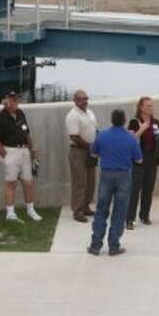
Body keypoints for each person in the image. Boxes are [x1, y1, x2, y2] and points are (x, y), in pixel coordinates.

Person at [88, 108, 143, 256]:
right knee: (119, 212)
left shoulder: (102, 135)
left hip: (106, 174)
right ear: (124, 121)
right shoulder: (130, 138)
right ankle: (114, 246)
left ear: (112, 120)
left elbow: (93, 152)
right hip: (124, 176)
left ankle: (95, 245)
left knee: (101, 210)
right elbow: (139, 159)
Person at [0, 91, 42, 222]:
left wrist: (31, 149)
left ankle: (30, 210)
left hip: (24, 150)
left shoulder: (20, 113)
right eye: (13, 100)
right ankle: (10, 213)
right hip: (10, 151)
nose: (16, 102)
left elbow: (26, 133)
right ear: (6, 101)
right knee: (11, 183)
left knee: (28, 182)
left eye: (17, 100)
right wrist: (5, 157)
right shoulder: (0, 118)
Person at [126, 96, 159, 229]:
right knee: (134, 189)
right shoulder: (134, 122)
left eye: (152, 105)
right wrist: (141, 130)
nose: (151, 108)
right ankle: (130, 219)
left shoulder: (156, 122)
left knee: (148, 189)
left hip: (152, 159)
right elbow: (130, 141)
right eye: (148, 105)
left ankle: (145, 215)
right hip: (139, 159)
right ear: (141, 107)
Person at [65, 89, 98, 222]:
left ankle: (86, 206)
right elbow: (74, 136)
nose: (84, 101)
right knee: (80, 182)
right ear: (75, 100)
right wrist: (90, 146)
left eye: (86, 99)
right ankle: (77, 211)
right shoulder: (72, 116)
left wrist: (97, 144)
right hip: (78, 152)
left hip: (91, 151)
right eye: (81, 99)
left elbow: (95, 129)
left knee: (91, 181)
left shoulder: (90, 113)